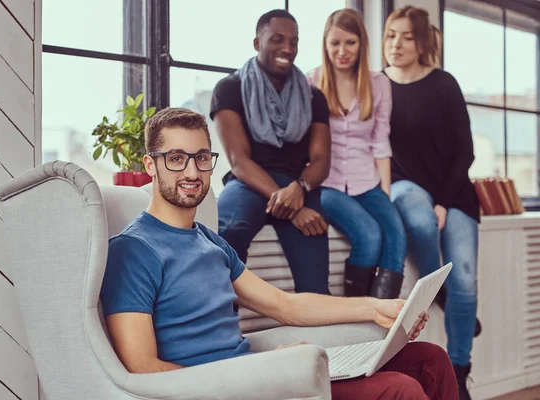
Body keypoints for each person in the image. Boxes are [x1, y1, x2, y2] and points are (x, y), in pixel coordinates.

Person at [100, 106, 458, 399]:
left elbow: (284, 305)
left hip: (262, 376)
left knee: (429, 359)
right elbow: (143, 368)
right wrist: (264, 371)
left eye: (201, 158)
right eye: (176, 158)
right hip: (231, 388)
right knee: (400, 390)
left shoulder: (210, 241)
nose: (192, 171)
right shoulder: (133, 251)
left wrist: (377, 308)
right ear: (150, 165)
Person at [383, 6, 480, 399]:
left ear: (422, 42)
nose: (397, 44)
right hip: (405, 186)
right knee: (421, 224)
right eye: (391, 35)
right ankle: (439, 292)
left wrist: (443, 201)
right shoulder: (376, 84)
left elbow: (465, 151)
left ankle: (459, 373)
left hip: (454, 192)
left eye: (407, 37)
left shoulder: (444, 84)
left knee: (466, 283)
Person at [210, 9, 331, 295]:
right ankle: (223, 320)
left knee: (315, 287)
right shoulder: (230, 88)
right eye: (277, 39)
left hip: (299, 185)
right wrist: (293, 208)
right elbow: (239, 161)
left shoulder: (313, 96)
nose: (287, 49)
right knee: (227, 231)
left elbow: (321, 160)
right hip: (250, 182)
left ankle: (315, 337)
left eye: (294, 42)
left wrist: (300, 190)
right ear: (257, 43)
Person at [307, 9, 406, 299]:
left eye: (349, 42)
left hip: (368, 181)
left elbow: (380, 141)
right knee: (369, 235)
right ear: (325, 44)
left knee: (397, 236)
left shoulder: (379, 84)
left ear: (361, 43)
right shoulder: (311, 81)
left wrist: (384, 192)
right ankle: (358, 318)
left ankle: (384, 323)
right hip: (327, 184)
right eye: (335, 43)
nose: (342, 51)